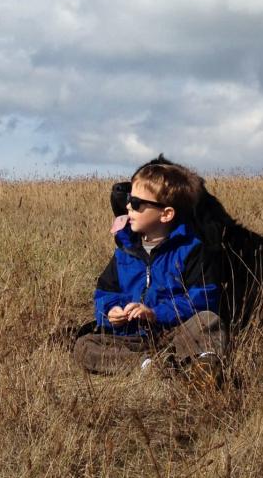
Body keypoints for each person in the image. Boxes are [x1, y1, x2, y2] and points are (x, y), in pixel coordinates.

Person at [73, 160, 227, 380]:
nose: (128, 207)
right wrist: (111, 313)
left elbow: (202, 299)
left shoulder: (191, 250)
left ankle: (203, 367)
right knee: (84, 345)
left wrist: (156, 313)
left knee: (209, 320)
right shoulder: (125, 254)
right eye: (129, 200)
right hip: (132, 336)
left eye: (136, 203)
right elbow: (105, 294)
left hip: (175, 331)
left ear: (166, 214)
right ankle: (149, 366)